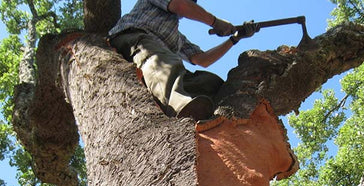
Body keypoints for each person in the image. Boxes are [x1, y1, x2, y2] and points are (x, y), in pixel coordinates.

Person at [108, 0, 258, 121]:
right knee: (162, 62)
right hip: (132, 39)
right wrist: (215, 22)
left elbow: (202, 60)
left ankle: (216, 113)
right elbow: (181, 5)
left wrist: (234, 39)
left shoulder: (176, 37)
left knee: (209, 82)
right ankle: (180, 106)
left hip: (163, 57)